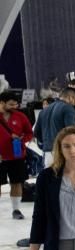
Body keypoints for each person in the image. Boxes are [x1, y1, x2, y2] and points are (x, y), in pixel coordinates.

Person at [1, 93, 33, 221]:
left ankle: (16, 209)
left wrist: (22, 140)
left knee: (16, 183)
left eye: (16, 104)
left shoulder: (20, 116)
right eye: (11, 104)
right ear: (2, 103)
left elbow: (29, 133)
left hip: (17, 156)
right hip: (1, 157)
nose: (15, 106)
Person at [35, 88, 75, 165]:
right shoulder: (68, 108)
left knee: (50, 176)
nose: (74, 103)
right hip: (62, 152)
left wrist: (46, 143)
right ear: (70, 97)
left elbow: (36, 133)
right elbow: (70, 131)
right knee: (66, 176)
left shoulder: (44, 110)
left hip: (47, 153)